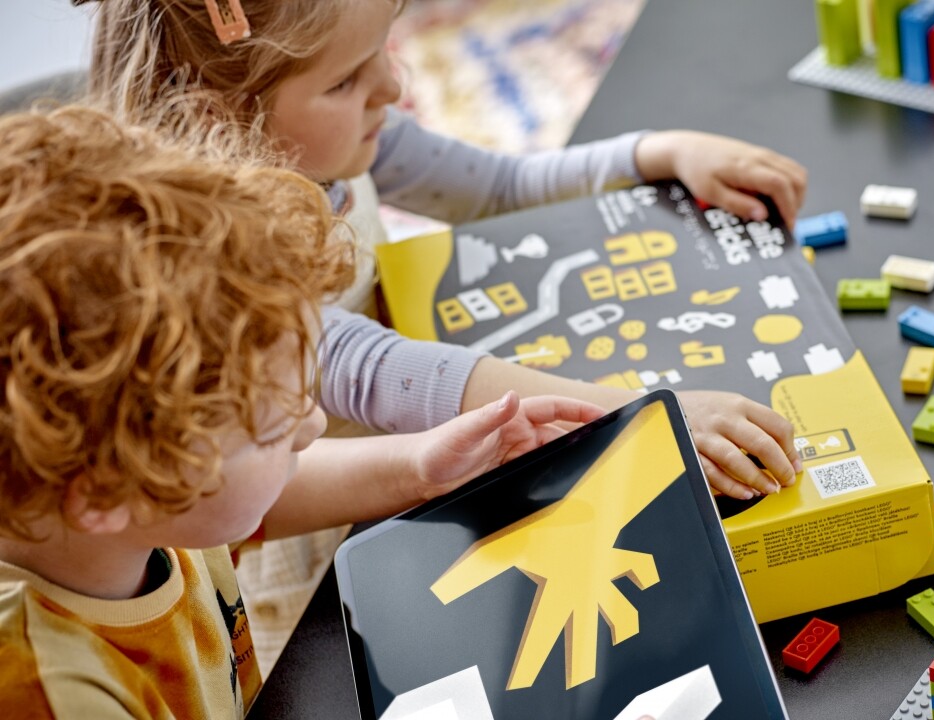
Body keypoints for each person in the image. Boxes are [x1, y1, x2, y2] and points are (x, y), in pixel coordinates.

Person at [0, 105, 604, 718]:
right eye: (270, 429)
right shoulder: (53, 692)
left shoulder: (132, 499)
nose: (312, 424)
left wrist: (419, 467)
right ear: (106, 494)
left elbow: (257, 503)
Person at [79, 0, 811, 501]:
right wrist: (645, 412)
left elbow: (496, 186)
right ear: (220, 122)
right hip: (321, 500)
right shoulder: (212, 261)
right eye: (345, 80)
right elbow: (378, 372)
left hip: (422, 442)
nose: (393, 87)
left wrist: (659, 151)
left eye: (384, 50)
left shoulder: (339, 137)